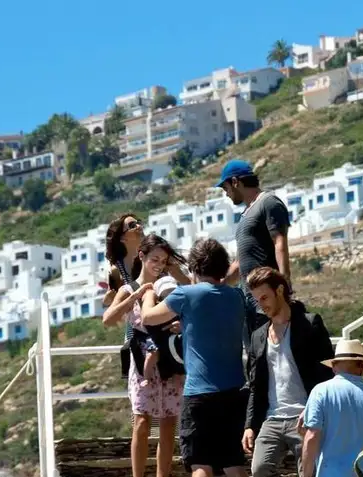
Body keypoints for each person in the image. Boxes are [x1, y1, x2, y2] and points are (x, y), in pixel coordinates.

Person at [141, 238, 249, 477]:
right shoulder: (236, 297)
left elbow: (148, 317)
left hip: (200, 392)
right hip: (234, 390)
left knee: (201, 464)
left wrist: (148, 292)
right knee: (233, 463)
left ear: (194, 266)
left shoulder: (185, 295)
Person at [102, 234, 187, 477]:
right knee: (141, 421)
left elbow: (187, 307)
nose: (159, 264)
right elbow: (108, 319)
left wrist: (180, 325)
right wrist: (135, 296)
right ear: (142, 256)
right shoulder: (130, 288)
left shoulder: (170, 287)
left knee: (169, 422)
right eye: (155, 259)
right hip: (142, 360)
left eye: (164, 260)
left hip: (169, 359)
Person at [241, 267, 335, 477]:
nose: (262, 304)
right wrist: (249, 426)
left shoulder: (309, 324)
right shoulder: (258, 336)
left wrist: (315, 409)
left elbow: (328, 373)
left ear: (280, 290)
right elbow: (255, 387)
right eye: (257, 300)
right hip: (272, 419)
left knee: (310, 472)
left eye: (265, 297)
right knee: (259, 469)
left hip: (306, 415)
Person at [216, 159, 291, 348]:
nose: (226, 194)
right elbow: (241, 261)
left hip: (267, 299)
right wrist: (219, 285)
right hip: (249, 302)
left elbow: (280, 242)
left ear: (235, 182)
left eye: (226, 188)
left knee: (271, 353)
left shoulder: (268, 202)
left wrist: (285, 284)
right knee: (254, 359)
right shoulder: (245, 216)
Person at [301, 339, 363, 477]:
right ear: (362, 367)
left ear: (334, 366)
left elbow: (312, 437)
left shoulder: (320, 392)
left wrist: (305, 475)